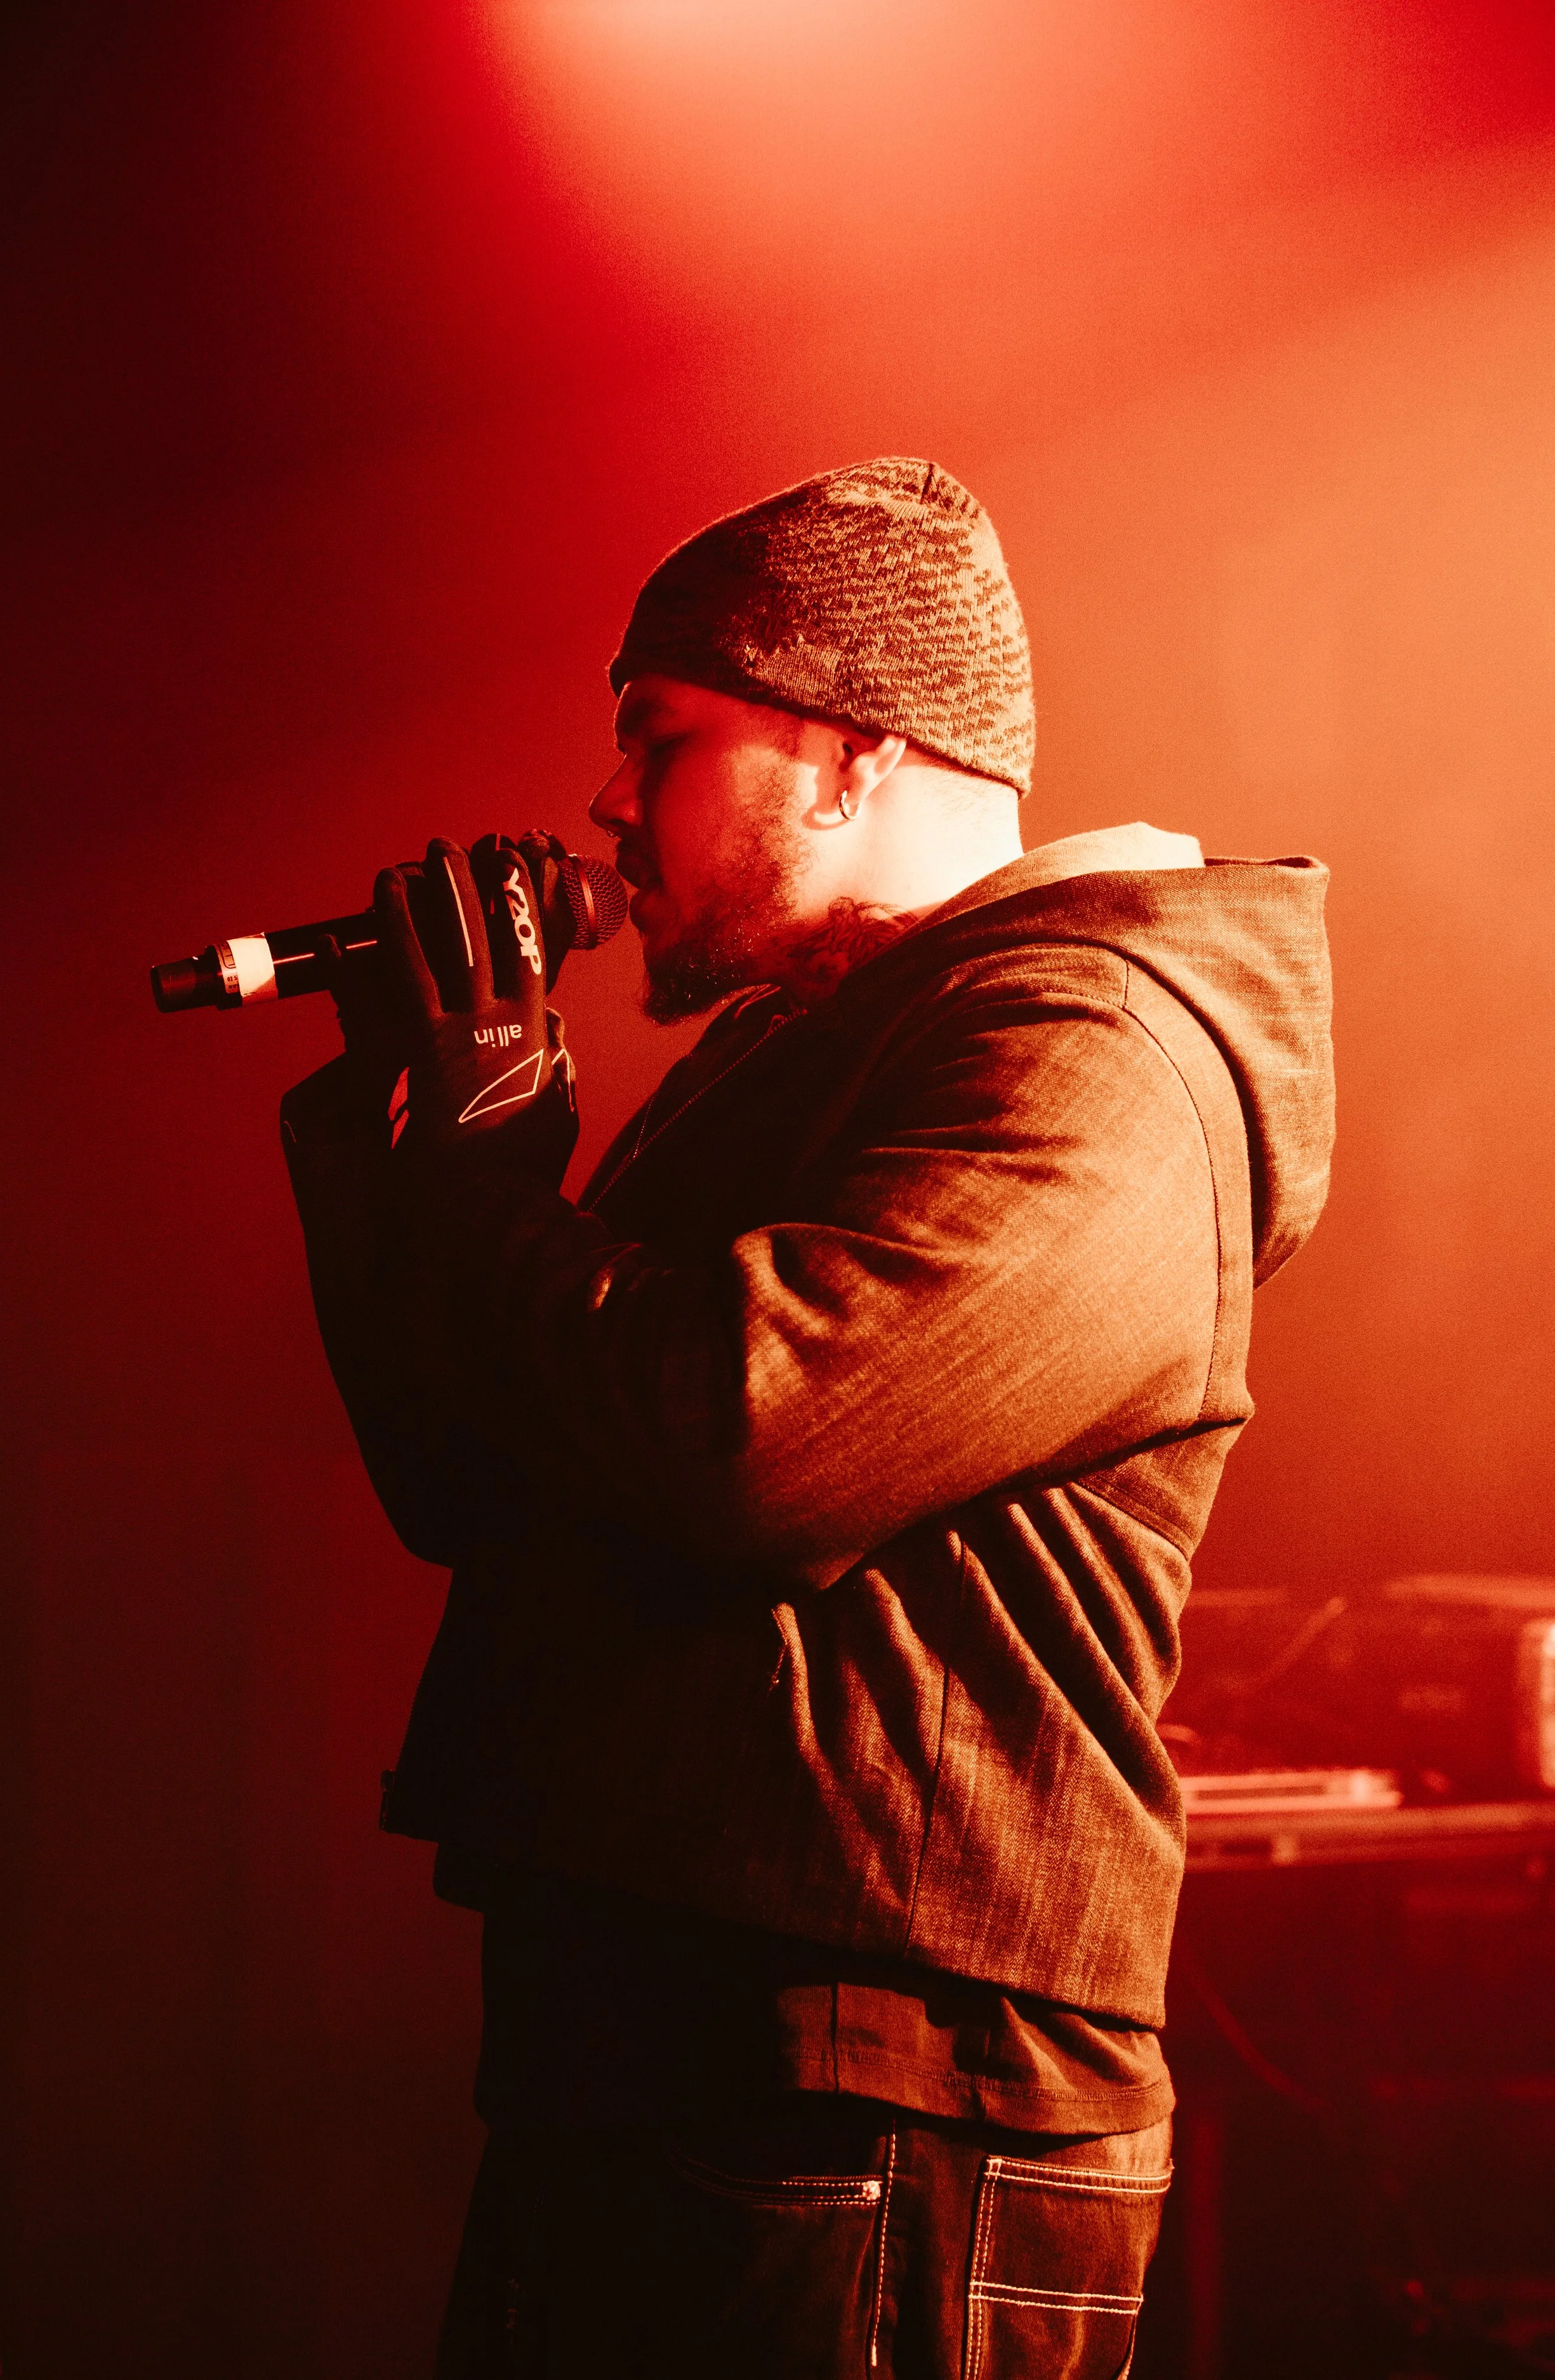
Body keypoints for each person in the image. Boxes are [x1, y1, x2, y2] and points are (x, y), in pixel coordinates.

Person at [280, 457, 1334, 2378]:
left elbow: (751, 1439)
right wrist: (400, 1140)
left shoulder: (1095, 1047)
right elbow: (478, 1478)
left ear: (851, 757)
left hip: (882, 2098)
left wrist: (491, 1184)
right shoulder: (798, 1051)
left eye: (661, 737)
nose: (608, 803)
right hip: (669, 2049)